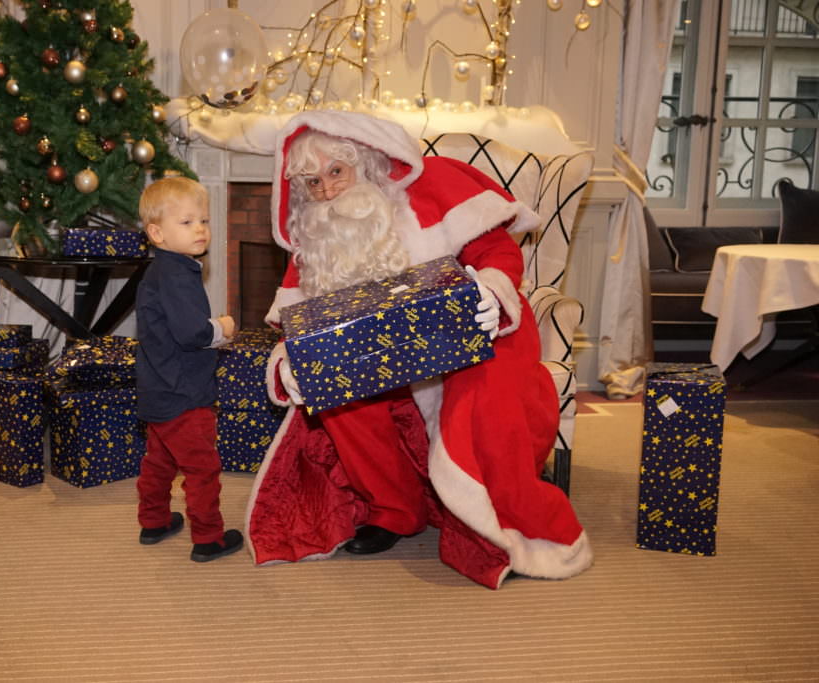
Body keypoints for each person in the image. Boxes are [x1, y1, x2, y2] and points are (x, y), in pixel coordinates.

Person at [244, 111, 593, 588]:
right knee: (337, 397)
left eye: (335, 173)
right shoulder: (315, 235)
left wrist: (489, 291)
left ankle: (500, 515)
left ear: (363, 163)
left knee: (486, 398)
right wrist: (289, 363)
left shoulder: (433, 189)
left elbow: (498, 254)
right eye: (310, 181)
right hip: (382, 356)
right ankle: (394, 511)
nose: (324, 190)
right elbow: (301, 323)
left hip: (473, 332)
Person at [134, 176, 243, 563]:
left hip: (158, 389)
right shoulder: (178, 275)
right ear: (157, 232)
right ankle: (209, 537)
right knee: (202, 469)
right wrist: (223, 329)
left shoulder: (163, 270)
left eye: (204, 220)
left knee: (159, 462)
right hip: (184, 394)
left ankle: (154, 521)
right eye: (187, 222)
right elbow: (191, 332)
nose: (200, 228)